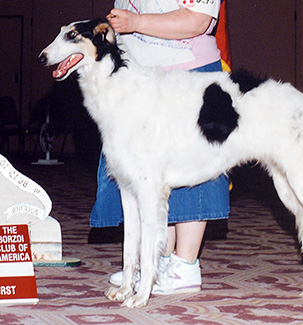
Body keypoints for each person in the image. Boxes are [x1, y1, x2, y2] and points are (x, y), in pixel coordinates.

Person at [90, 0, 230, 295]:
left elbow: (198, 21)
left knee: (193, 172)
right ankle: (159, 260)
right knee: (149, 177)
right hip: (140, 76)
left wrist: (136, 24)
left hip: (188, 72)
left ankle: (185, 265)